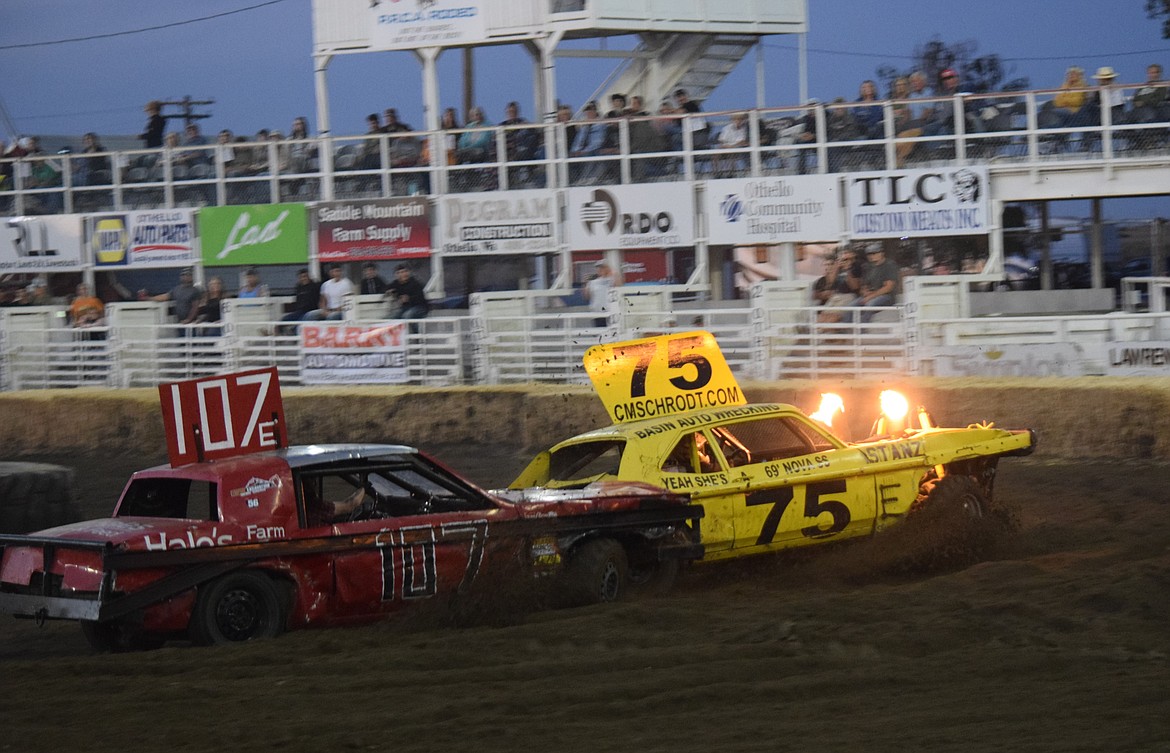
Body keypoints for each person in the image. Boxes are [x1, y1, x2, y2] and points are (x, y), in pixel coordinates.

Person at [851, 245, 900, 323]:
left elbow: (888, 287)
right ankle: (846, 330)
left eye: (874, 253)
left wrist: (871, 296)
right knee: (852, 306)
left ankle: (862, 331)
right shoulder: (867, 266)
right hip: (871, 294)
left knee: (869, 305)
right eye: (869, 254)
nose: (871, 256)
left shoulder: (889, 265)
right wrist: (865, 292)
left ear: (881, 253)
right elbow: (864, 284)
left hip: (887, 296)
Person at [813, 249, 860, 323]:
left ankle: (819, 330)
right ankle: (817, 330)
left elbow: (855, 287)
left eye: (831, 264)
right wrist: (822, 295)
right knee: (823, 315)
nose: (829, 267)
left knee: (834, 315)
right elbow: (815, 295)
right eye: (826, 264)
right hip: (828, 304)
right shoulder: (821, 280)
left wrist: (847, 269)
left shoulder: (847, 273)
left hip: (845, 298)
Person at [584, 261, 616, 327]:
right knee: (600, 333)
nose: (600, 269)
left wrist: (612, 273)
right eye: (598, 268)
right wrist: (585, 284)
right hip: (597, 312)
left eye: (603, 267)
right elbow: (587, 297)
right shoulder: (592, 282)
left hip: (610, 312)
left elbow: (619, 287)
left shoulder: (612, 279)